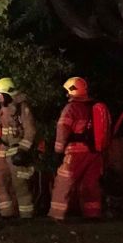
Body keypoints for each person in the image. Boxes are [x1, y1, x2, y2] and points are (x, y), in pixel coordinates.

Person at [49, 77, 103, 221]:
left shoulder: (71, 108)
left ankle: (56, 215)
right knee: (90, 183)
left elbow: (63, 130)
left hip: (75, 152)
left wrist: (58, 151)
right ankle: (93, 214)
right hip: (95, 152)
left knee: (63, 181)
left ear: (72, 90)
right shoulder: (93, 107)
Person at [0, 77, 37, 218]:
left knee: (20, 186)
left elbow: (30, 130)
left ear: (6, 94)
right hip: (1, 153)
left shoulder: (22, 108)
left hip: (16, 151)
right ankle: (7, 215)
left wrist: (23, 150)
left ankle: (26, 217)